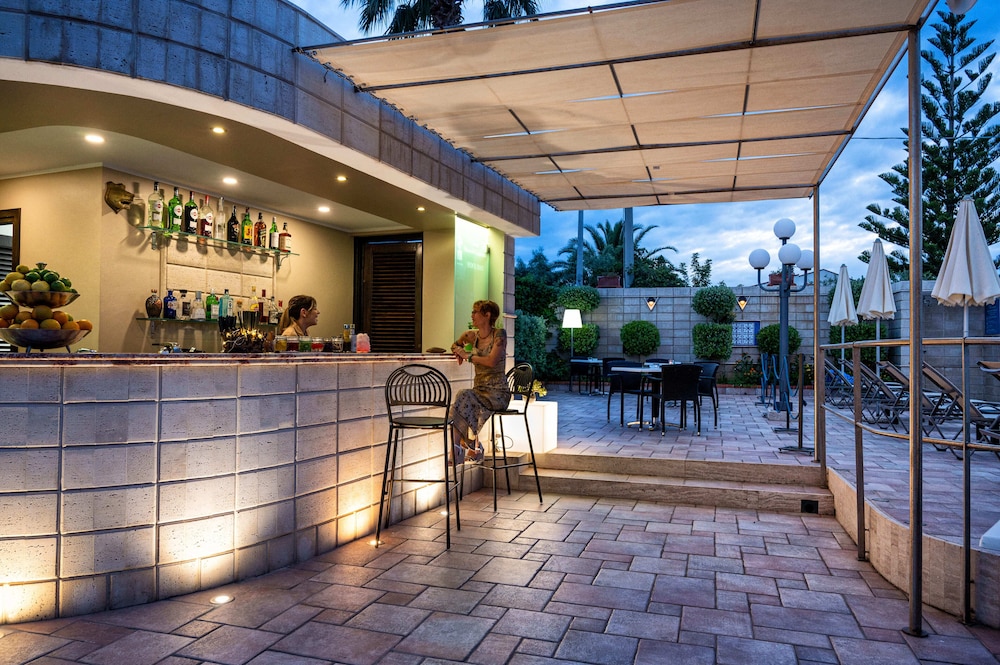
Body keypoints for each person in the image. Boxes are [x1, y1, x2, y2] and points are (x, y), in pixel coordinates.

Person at [449, 300, 510, 463]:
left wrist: (468, 356)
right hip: (479, 391)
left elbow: (491, 361)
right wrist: (458, 351)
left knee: (464, 396)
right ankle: (471, 447)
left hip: (498, 393)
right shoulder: (471, 336)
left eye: (475, 312)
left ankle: (459, 450)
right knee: (461, 402)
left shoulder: (499, 334)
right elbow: (454, 345)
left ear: (487, 315)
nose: (472, 315)